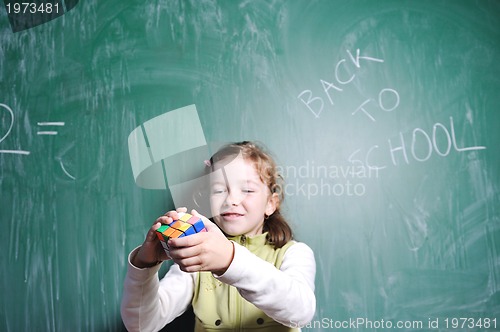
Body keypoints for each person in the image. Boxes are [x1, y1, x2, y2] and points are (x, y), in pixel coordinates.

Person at [121, 141, 316, 331]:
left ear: (270, 204)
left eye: (247, 190)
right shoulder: (193, 261)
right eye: (219, 190)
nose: (231, 200)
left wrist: (230, 259)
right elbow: (140, 326)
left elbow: (301, 312)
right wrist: (144, 265)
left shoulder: (295, 253)